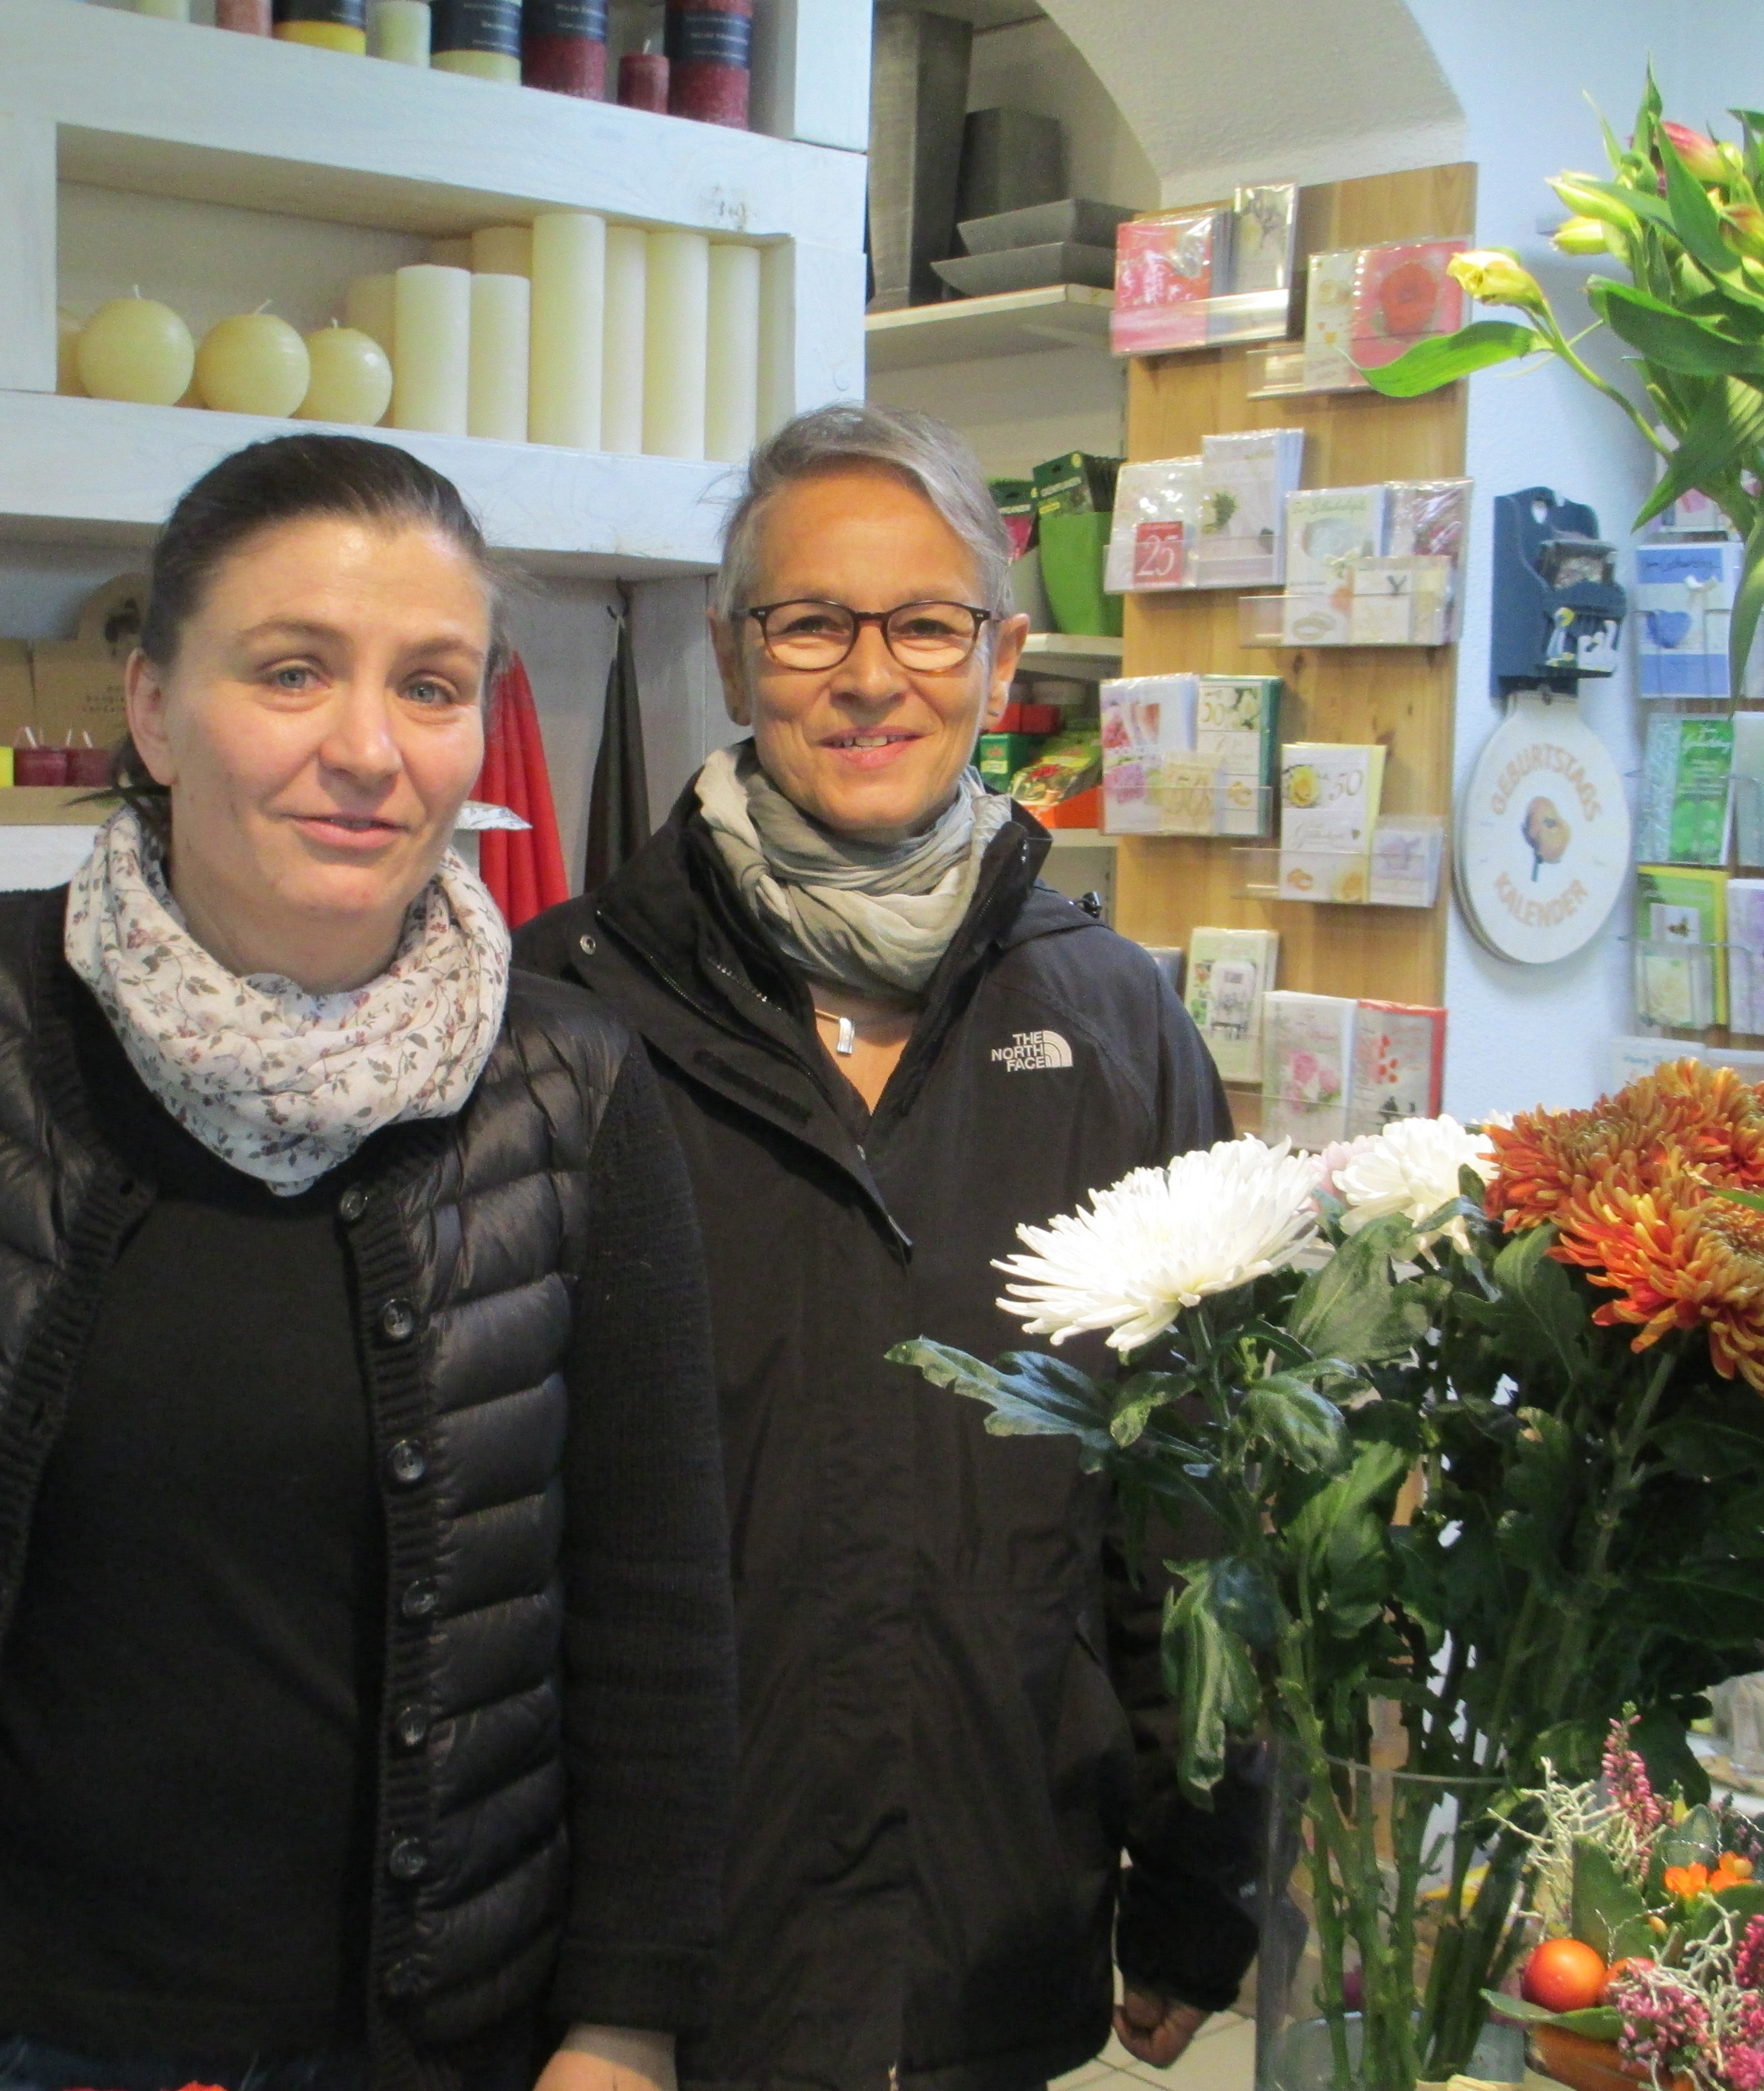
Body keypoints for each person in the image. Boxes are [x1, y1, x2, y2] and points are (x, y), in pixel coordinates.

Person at [0, 434, 736, 2091]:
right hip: (3, 2024)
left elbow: (652, 1591)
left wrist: (625, 2022)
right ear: (156, 709)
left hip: (430, 2036)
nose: (366, 750)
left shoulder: (569, 1088)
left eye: (430, 685)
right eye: (292, 671)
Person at [518, 402, 1259, 2091]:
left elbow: (1191, 1502)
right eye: (811, 625)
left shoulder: (1117, 1024)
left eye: (927, 625)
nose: (872, 677)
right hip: (641, 1976)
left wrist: (1204, 1878)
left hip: (994, 1936)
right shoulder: (562, 1013)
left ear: (999, 662)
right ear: (732, 654)